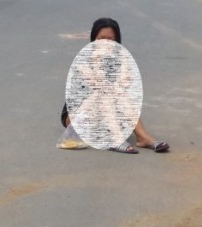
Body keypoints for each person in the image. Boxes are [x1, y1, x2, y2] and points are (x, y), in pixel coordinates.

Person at [60, 18, 170, 154]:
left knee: (118, 92)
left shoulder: (119, 59)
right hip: (77, 117)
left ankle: (143, 138)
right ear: (94, 39)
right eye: (101, 38)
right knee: (106, 92)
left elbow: (125, 82)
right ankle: (117, 139)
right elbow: (98, 85)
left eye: (110, 39)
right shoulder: (83, 62)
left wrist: (122, 60)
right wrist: (98, 62)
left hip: (106, 117)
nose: (105, 43)